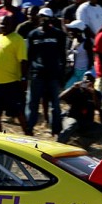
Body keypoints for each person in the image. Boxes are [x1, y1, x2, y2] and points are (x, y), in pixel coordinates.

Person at [26, 8, 67, 137]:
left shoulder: (59, 35)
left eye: (46, 17)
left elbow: (63, 56)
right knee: (33, 103)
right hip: (37, 74)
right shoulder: (33, 35)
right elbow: (29, 56)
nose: (43, 20)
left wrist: (62, 75)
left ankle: (56, 130)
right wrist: (28, 74)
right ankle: (29, 128)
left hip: (53, 75)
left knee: (55, 104)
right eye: (41, 17)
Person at [0, 16, 31, 135]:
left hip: (11, 82)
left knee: (18, 111)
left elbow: (23, 61)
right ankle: (0, 132)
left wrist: (24, 78)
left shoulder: (18, 39)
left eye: (6, 24)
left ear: (12, 24)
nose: (3, 26)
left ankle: (28, 133)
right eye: (1, 24)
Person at [58, 72, 102, 147]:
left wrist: (93, 93)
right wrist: (73, 87)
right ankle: (59, 144)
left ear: (93, 82)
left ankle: (81, 143)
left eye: (89, 81)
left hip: (86, 122)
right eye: (85, 81)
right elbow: (61, 97)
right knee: (72, 125)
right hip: (72, 118)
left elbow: (99, 107)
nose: (87, 83)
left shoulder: (97, 94)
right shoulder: (77, 90)